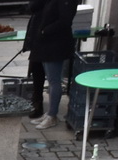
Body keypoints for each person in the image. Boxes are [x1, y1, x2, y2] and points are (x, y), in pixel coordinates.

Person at [23, 0, 77, 129]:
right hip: (46, 43)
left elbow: (65, 21)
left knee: (54, 81)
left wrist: (44, 31)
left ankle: (52, 115)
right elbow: (34, 7)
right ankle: (49, 114)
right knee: (51, 79)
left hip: (55, 44)